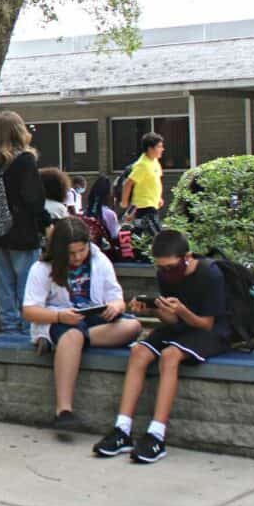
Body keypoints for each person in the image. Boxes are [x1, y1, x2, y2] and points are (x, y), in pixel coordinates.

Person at [93, 230, 231, 463]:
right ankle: (122, 429)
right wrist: (154, 310)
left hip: (210, 332)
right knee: (138, 351)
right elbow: (172, 322)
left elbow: (206, 324)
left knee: (170, 356)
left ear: (187, 257)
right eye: (161, 268)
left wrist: (181, 310)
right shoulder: (166, 276)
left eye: (170, 267)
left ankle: (157, 434)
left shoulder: (210, 274)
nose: (166, 272)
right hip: (182, 326)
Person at [23, 217, 142, 431]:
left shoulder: (100, 259)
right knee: (72, 335)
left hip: (94, 317)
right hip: (59, 317)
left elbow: (116, 297)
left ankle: (70, 346)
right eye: (71, 253)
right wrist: (60, 318)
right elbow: (29, 310)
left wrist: (115, 306)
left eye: (82, 250)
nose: (77, 257)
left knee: (132, 327)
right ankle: (64, 411)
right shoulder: (41, 268)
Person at [0, 111, 51, 333]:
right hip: (23, 231)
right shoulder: (25, 161)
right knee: (27, 284)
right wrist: (46, 225)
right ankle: (27, 326)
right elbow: (34, 199)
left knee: (5, 283)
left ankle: (9, 325)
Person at [120, 132, 165, 227]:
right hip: (143, 206)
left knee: (142, 235)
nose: (162, 149)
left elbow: (155, 181)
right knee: (156, 235)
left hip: (152, 205)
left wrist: (159, 198)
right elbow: (128, 183)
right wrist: (124, 202)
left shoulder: (155, 161)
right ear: (150, 149)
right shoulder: (142, 165)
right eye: (159, 147)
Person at [83, 175, 120, 253]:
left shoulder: (85, 213)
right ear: (109, 195)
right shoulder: (110, 214)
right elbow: (114, 236)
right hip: (106, 253)